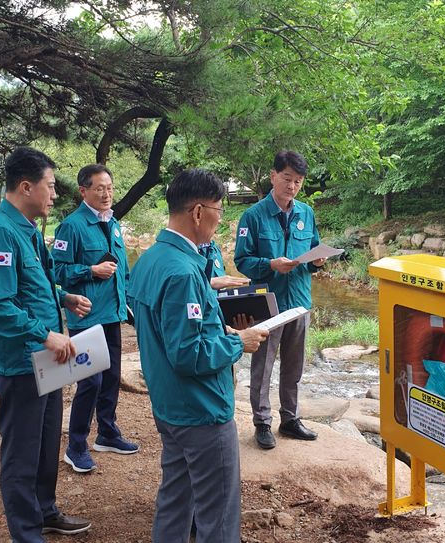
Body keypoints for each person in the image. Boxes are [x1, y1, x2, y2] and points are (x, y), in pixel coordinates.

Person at [127, 168, 269, 543]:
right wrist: (241, 342)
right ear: (198, 212)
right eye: (220, 211)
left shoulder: (149, 260)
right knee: (218, 516)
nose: (221, 220)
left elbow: (162, 327)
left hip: (168, 405)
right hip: (201, 410)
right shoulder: (184, 272)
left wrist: (218, 328)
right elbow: (188, 355)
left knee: (175, 498)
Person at [0, 146, 93, 542]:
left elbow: (31, 283)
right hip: (20, 363)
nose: (55, 195)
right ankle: (26, 533)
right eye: (50, 186)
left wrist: (63, 297)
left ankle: (45, 511)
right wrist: (44, 333)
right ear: (26, 187)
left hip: (45, 360)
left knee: (43, 444)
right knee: (22, 452)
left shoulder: (26, 229)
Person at [234, 150, 326, 450]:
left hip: (299, 300)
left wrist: (318, 261)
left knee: (294, 365)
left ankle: (290, 418)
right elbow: (243, 260)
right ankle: (262, 422)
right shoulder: (253, 216)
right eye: (287, 179)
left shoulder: (306, 213)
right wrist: (270, 264)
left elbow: (312, 251)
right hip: (268, 303)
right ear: (273, 176)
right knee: (263, 365)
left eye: (298, 181)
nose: (292, 186)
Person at [52, 164, 139, 473]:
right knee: (90, 381)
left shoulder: (113, 224)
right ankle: (76, 446)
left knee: (112, 377)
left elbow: (123, 271)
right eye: (99, 188)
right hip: (85, 317)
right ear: (83, 191)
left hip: (112, 315)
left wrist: (128, 303)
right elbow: (56, 272)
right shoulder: (71, 227)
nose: (106, 193)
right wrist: (89, 270)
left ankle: (107, 432)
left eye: (110, 188)